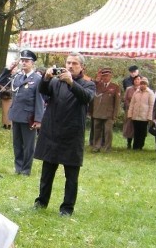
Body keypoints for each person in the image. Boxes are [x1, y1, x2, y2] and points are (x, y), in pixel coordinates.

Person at [32, 52, 96, 217]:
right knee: (47, 173)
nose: (70, 66)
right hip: (52, 131)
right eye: (68, 63)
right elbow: (42, 91)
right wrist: (46, 78)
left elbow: (86, 98)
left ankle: (67, 208)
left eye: (74, 63)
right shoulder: (56, 81)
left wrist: (71, 83)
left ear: (81, 67)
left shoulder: (88, 84)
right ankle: (41, 202)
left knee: (71, 176)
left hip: (72, 135)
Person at [7, 49, 45, 175]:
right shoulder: (18, 76)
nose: (24, 63)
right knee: (17, 144)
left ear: (32, 63)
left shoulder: (38, 79)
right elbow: (3, 82)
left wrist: (38, 119)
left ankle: (26, 169)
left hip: (29, 116)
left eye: (27, 61)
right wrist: (8, 68)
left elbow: (40, 100)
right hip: (16, 114)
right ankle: (18, 167)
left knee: (28, 146)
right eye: (22, 60)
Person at [90, 67, 120, 152]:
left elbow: (117, 103)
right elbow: (92, 99)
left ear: (111, 76)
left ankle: (107, 148)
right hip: (97, 112)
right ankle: (96, 147)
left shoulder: (115, 87)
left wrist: (115, 115)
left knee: (108, 132)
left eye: (107, 76)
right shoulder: (96, 85)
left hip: (108, 113)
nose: (105, 77)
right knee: (97, 130)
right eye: (104, 76)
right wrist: (91, 110)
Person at [127, 77, 155, 150]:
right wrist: (130, 114)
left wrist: (149, 116)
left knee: (142, 132)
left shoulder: (150, 93)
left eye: (144, 84)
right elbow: (132, 104)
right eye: (141, 83)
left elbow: (152, 105)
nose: (142, 85)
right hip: (135, 115)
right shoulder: (136, 92)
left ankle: (140, 146)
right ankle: (135, 146)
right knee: (136, 131)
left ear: (147, 85)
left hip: (144, 116)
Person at [121, 75, 141, 148]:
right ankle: (129, 143)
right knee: (129, 127)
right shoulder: (129, 89)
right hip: (129, 110)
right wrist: (129, 106)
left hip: (139, 111)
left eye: (138, 79)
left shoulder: (142, 89)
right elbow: (125, 99)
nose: (137, 81)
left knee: (137, 127)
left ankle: (136, 144)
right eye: (135, 79)